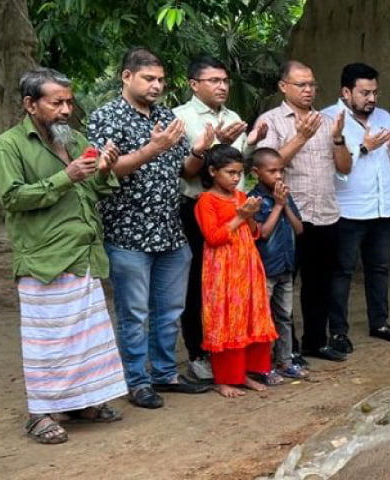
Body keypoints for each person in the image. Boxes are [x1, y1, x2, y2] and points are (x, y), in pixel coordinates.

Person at [0, 67, 129, 444]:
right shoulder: (8, 145)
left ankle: (83, 403)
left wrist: (103, 169)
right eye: (57, 102)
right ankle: (40, 414)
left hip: (83, 254)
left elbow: (95, 190)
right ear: (30, 105)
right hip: (43, 260)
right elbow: (12, 198)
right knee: (46, 343)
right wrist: (66, 176)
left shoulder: (75, 137)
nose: (66, 109)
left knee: (84, 338)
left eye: (69, 101)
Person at [87, 47, 212, 409]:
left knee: (170, 310)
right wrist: (151, 149)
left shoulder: (166, 116)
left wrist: (200, 151)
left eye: (160, 79)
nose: (157, 85)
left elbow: (184, 171)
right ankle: (137, 381)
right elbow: (104, 172)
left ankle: (165, 373)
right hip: (128, 234)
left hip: (171, 232)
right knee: (134, 312)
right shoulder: (107, 117)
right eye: (148, 78)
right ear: (126, 77)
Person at [172, 56, 267, 383]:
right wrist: (214, 144)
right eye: (213, 80)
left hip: (237, 210)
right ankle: (201, 353)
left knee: (237, 289)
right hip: (198, 204)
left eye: (224, 80)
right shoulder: (180, 119)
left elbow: (237, 165)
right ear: (194, 84)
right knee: (200, 284)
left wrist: (249, 143)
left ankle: (237, 355)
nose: (222, 86)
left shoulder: (234, 117)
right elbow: (186, 171)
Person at [256, 60, 352, 362]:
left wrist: (337, 138)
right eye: (302, 84)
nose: (309, 90)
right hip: (288, 216)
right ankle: (288, 348)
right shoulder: (271, 121)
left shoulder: (326, 120)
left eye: (312, 84)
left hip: (325, 213)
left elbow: (345, 167)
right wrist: (301, 138)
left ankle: (317, 341)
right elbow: (268, 166)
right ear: (284, 86)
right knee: (284, 284)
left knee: (320, 282)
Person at [322, 62, 390, 346]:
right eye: (364, 92)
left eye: (375, 92)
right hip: (348, 209)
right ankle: (338, 331)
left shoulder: (383, 116)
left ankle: (379, 324)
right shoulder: (329, 119)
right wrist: (364, 147)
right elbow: (336, 165)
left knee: (379, 269)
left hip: (382, 207)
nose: (371, 99)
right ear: (346, 91)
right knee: (342, 271)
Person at [194, 144, 279, 397]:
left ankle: (246, 374)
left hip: (248, 265)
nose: (235, 178)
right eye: (230, 172)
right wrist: (240, 217)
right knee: (226, 320)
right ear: (212, 171)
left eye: (238, 173)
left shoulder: (241, 197)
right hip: (222, 269)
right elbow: (214, 237)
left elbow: (254, 233)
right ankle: (225, 379)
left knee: (250, 317)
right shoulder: (206, 201)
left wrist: (250, 215)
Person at [247, 147, 307, 379]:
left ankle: (285, 361)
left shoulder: (285, 195)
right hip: (265, 268)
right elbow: (262, 233)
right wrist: (278, 205)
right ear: (256, 172)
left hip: (286, 265)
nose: (279, 175)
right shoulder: (255, 199)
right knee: (262, 319)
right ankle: (261, 366)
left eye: (281, 170)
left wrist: (284, 204)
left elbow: (299, 228)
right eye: (272, 171)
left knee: (284, 316)